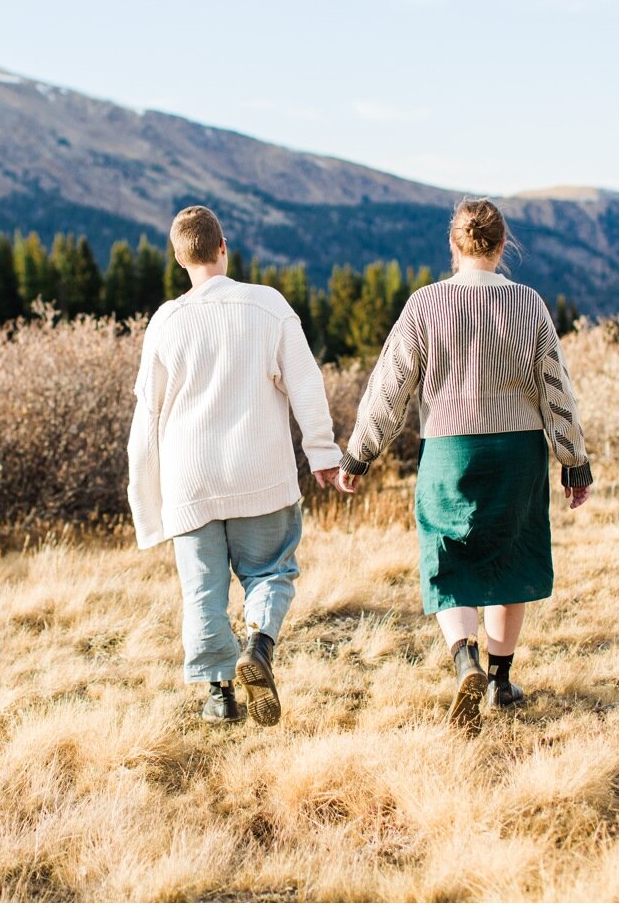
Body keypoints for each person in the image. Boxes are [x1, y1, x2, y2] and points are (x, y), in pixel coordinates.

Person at [335, 198, 593, 728]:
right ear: (501, 246)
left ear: (453, 246)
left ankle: (463, 659)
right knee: (511, 560)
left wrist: (359, 455)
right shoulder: (529, 304)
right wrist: (574, 461)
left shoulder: (424, 305)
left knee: (448, 557)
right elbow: (555, 389)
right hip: (518, 452)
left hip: (449, 450)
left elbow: (389, 389)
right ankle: (499, 682)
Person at [128, 205, 341, 726]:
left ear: (180, 259)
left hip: (189, 480)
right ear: (223, 248)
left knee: (202, 591)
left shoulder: (165, 322)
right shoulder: (267, 306)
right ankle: (260, 647)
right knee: (271, 570)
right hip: (259, 473)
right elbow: (306, 384)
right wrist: (322, 454)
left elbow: (146, 416)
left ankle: (220, 697)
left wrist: (146, 501)